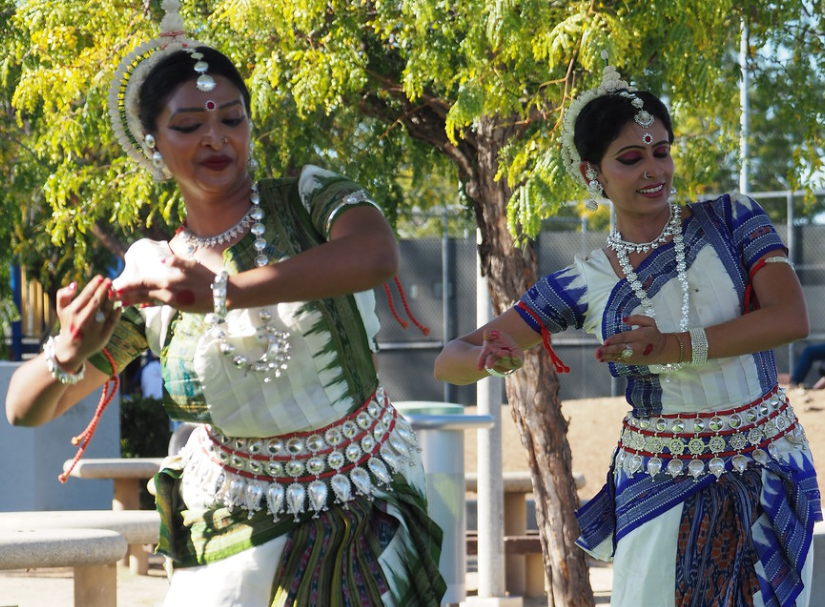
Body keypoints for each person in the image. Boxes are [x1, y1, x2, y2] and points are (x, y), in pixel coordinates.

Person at [4, 2, 445, 605]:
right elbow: (24, 410)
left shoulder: (309, 200)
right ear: (152, 144)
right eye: (188, 126)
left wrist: (225, 290)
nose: (216, 137)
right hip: (232, 528)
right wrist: (68, 351)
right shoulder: (152, 277)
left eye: (232, 119)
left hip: (366, 497)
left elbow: (375, 254)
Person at [434, 60, 821, 606]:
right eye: (631, 159)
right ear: (595, 175)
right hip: (662, 478)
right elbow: (450, 358)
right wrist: (485, 360)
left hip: (765, 463)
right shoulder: (582, 282)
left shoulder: (733, 219)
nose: (653, 170)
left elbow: (790, 319)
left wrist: (673, 347)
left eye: (661, 151)